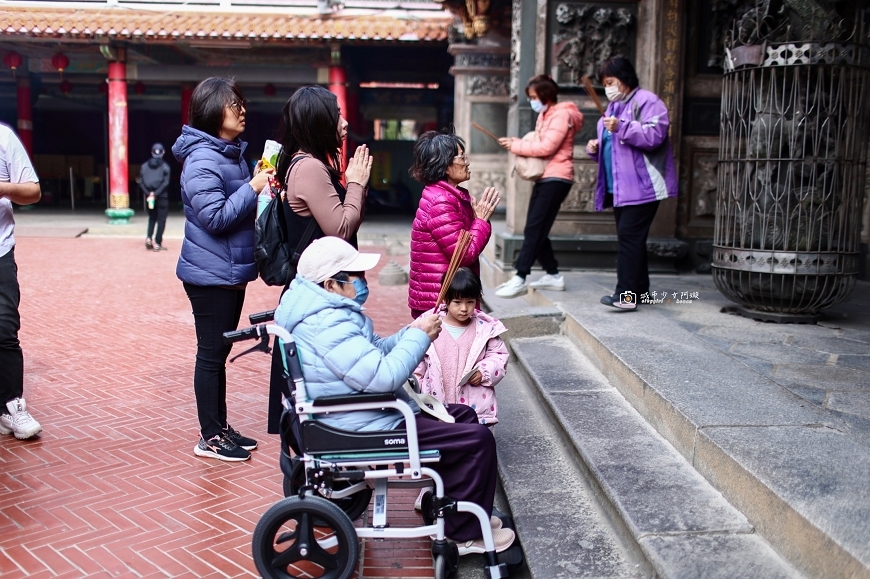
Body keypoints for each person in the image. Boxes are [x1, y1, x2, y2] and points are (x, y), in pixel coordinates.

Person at [274, 236, 516, 554]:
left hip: (364, 413)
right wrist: (419, 339)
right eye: (355, 276)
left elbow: (374, 352)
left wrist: (411, 331)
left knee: (464, 415)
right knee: (478, 440)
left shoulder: (327, 314)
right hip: (364, 424)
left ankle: (449, 506)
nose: (363, 282)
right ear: (331, 284)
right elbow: (385, 376)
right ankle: (464, 534)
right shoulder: (327, 325)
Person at [172, 77, 273, 461]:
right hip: (209, 274)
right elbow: (214, 218)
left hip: (228, 271)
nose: (242, 109)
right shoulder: (201, 160)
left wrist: (257, 185)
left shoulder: (228, 154)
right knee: (211, 355)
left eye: (242, 102)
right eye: (234, 104)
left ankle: (220, 427)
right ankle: (209, 437)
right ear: (213, 111)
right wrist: (253, 187)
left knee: (219, 352)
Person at [266, 85, 372, 435]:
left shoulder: (305, 163)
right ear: (318, 122)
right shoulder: (309, 168)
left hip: (320, 289)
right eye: (336, 116)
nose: (344, 123)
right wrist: (356, 184)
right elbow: (340, 228)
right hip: (321, 293)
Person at [585, 57, 677, 310]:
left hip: (643, 186)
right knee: (632, 239)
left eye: (611, 82)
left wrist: (622, 127)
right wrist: (594, 147)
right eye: (604, 84)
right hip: (620, 188)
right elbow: (611, 149)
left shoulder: (647, 101)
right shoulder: (614, 108)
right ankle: (640, 291)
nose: (608, 88)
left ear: (625, 79)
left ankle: (626, 297)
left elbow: (655, 135)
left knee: (629, 238)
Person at [495, 75, 584, 298]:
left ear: (546, 95)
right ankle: (553, 275)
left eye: (535, 97)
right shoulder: (546, 114)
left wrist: (517, 145)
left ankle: (520, 276)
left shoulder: (561, 114)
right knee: (536, 228)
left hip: (557, 177)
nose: (533, 101)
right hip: (547, 177)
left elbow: (546, 147)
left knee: (535, 227)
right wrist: (517, 144)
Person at [408, 130, 500, 319]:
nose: (466, 161)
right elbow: (464, 254)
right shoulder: (441, 201)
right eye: (461, 156)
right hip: (440, 304)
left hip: (447, 299)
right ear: (444, 165)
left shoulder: (449, 196)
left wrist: (478, 221)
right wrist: (481, 221)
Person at [414, 267, 508, 427]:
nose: (464, 308)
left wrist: (484, 371)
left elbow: (498, 356)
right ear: (445, 299)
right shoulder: (429, 326)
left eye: (470, 302)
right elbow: (417, 361)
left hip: (474, 406)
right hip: (435, 404)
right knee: (443, 443)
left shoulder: (485, 329)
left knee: (473, 443)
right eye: (457, 302)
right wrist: (416, 387)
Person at [0, 123, 42, 440]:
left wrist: (2, 187)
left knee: (4, 326)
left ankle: (12, 407)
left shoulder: (3, 137)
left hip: (0, 250)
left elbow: (32, 190)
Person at [140, 142, 171, 251]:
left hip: (150, 198)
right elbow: (165, 183)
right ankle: (157, 243)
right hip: (162, 197)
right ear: (163, 152)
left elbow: (141, 182)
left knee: (152, 218)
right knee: (161, 220)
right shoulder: (165, 167)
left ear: (152, 152)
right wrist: (156, 193)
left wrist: (150, 194)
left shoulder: (144, 166)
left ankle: (149, 238)